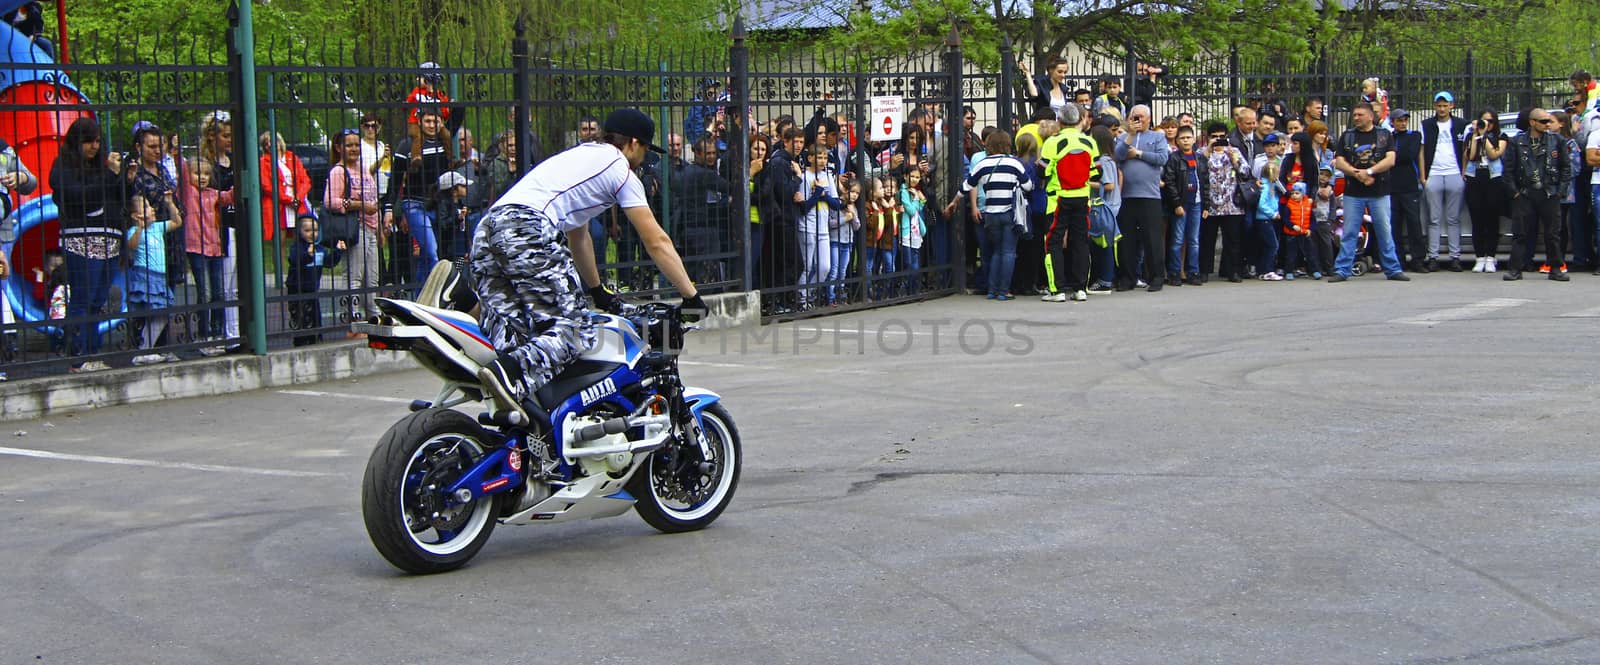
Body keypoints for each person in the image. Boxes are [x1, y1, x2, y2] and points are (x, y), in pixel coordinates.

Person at [471, 109, 705, 420]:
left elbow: (578, 236)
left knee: (518, 333)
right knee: (575, 332)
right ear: (634, 143)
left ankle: (517, 411)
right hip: (527, 229)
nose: (644, 158)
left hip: (489, 230)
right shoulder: (620, 169)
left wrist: (597, 290)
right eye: (646, 149)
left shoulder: (578, 158)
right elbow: (656, 241)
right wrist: (691, 297)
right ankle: (507, 373)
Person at [50, 118, 124, 370]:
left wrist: (124, 177)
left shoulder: (101, 168)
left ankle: (93, 354)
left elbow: (115, 196)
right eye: (88, 141)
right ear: (76, 141)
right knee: (82, 298)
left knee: (98, 300)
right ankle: (77, 356)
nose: (94, 146)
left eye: (97, 141)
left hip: (109, 239)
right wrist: (108, 175)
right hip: (81, 239)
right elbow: (79, 196)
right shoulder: (63, 167)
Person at [1329, 102, 1408, 282]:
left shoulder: (1384, 135)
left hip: (1379, 192)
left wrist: (1370, 172)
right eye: (1354, 114)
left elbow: (1390, 160)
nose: (1355, 117)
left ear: (1370, 116)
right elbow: (1339, 161)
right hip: (1353, 193)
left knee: (1384, 231)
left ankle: (1393, 269)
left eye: (1359, 114)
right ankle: (1342, 270)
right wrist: (1357, 174)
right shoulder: (1347, 136)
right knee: (1349, 232)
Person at [958, 130, 1031, 300]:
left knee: (997, 252)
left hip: (990, 214)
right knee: (1009, 252)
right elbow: (1028, 185)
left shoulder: (983, 164)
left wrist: (954, 202)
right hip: (1009, 213)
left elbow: (966, 186)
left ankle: (992, 289)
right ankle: (1004, 290)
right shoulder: (1014, 163)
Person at [1502, 108, 1573, 281]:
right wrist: (1515, 193)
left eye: (1549, 121)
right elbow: (1508, 170)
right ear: (1532, 122)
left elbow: (1566, 168)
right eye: (1543, 121)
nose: (1547, 124)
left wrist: (1560, 192)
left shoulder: (1557, 141)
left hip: (1549, 193)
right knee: (1520, 233)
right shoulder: (1517, 141)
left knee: (1553, 234)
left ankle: (1555, 268)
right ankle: (1516, 269)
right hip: (1525, 193)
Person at [386, 105, 453, 286]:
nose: (432, 125)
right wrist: (388, 209)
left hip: (436, 204)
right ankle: (436, 290)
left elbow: (459, 113)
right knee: (431, 250)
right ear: (420, 122)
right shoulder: (407, 145)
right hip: (414, 203)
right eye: (428, 121)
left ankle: (420, 296)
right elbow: (395, 180)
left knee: (425, 255)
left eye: (436, 121)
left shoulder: (445, 141)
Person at [325, 128, 382, 325]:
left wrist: (380, 227)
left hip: (371, 228)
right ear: (339, 147)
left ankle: (373, 315)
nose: (354, 149)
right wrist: (358, 205)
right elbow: (330, 201)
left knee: (372, 278)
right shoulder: (338, 171)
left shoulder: (364, 168)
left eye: (357, 145)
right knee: (354, 275)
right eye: (349, 145)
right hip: (354, 228)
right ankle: (353, 317)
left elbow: (373, 197)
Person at [1114, 105, 1170, 292]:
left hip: (1149, 195)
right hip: (1127, 196)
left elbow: (1162, 158)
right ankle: (1128, 278)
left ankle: (1156, 277)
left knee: (1152, 239)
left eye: (1140, 117)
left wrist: (1138, 154)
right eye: (1134, 117)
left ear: (1149, 118)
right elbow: (1118, 155)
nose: (1137, 120)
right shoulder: (1123, 137)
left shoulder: (1157, 137)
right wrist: (1130, 134)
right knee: (1127, 239)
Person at [124, 192, 183, 365]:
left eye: (150, 206)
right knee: (155, 311)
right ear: (136, 215)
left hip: (159, 276)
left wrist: (170, 204)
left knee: (161, 313)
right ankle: (144, 350)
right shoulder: (134, 230)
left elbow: (177, 222)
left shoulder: (157, 227)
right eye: (146, 207)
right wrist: (140, 227)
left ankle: (145, 348)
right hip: (145, 274)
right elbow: (131, 245)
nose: (151, 209)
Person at [179, 157, 230, 354]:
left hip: (215, 247)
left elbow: (228, 197)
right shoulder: (188, 194)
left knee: (218, 291)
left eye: (206, 174)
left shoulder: (213, 194)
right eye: (197, 173)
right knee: (205, 292)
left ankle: (217, 333)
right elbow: (183, 176)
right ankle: (203, 334)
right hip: (196, 248)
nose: (202, 177)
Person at [1422, 91, 1470, 272]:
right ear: (1435, 106)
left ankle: (1455, 256)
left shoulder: (1461, 124)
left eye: (1445, 105)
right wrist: (1423, 176)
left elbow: (1466, 148)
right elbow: (1422, 149)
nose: (1442, 109)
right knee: (1433, 218)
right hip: (1433, 173)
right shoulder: (1426, 125)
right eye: (1439, 105)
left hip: (1454, 172)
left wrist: (1463, 172)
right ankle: (1433, 256)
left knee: (1453, 218)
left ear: (1452, 106)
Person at [1199, 121, 1249, 282]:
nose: (1218, 140)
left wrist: (1234, 158)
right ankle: (1204, 271)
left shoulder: (1234, 151)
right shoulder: (1202, 152)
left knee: (1233, 240)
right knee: (1207, 239)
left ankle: (1232, 270)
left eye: (1222, 136)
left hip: (1231, 204)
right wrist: (1208, 150)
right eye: (1215, 137)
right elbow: (1198, 169)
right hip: (1210, 204)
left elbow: (1245, 172)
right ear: (1208, 138)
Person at [286, 215, 345, 346]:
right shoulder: (297, 247)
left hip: (313, 289)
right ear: (299, 232)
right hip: (297, 289)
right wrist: (307, 255)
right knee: (300, 318)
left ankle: (316, 338)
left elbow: (329, 262)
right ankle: (301, 341)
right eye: (307, 231)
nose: (312, 234)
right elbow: (294, 260)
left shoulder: (320, 248)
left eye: (315, 230)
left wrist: (338, 251)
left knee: (315, 317)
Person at [1463, 109, 1509, 273]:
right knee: (1477, 218)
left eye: (1490, 121)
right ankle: (1479, 257)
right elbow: (1472, 155)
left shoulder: (1501, 137)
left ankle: (1491, 256)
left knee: (1492, 219)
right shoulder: (1471, 136)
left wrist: (1485, 137)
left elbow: (1494, 154)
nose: (1486, 124)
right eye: (1483, 120)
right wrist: (1476, 135)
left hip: (1493, 178)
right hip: (1475, 177)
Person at [1162, 125, 1207, 285]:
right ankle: (1174, 272)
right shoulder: (1173, 159)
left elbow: (1205, 182)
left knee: (1194, 239)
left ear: (1194, 139)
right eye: (1182, 138)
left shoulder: (1200, 158)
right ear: (1177, 141)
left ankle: (1193, 271)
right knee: (1177, 239)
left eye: (1188, 137)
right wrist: (1176, 204)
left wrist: (1206, 205)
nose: (1186, 140)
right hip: (1181, 204)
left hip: (1196, 203)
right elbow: (1170, 182)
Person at [1387, 109, 1428, 271]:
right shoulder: (1389, 137)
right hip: (1392, 187)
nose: (1403, 123)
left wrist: (1391, 157)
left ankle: (1418, 260)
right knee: (1394, 226)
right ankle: (1399, 261)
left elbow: (1408, 155)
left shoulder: (1414, 136)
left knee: (1414, 224)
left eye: (1405, 120)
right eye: (1399, 120)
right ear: (1393, 122)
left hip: (1410, 186)